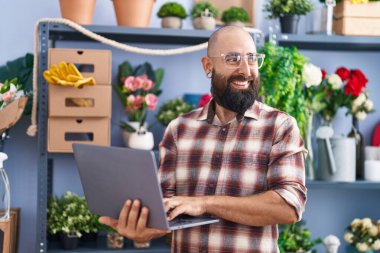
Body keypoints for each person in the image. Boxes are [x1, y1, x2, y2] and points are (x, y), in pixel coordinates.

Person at [99, 26, 307, 253]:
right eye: (233, 59)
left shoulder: (280, 126)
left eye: (252, 58)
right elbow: (167, 210)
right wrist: (143, 228)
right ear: (208, 66)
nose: (246, 70)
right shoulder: (179, 129)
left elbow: (288, 207)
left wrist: (204, 203)